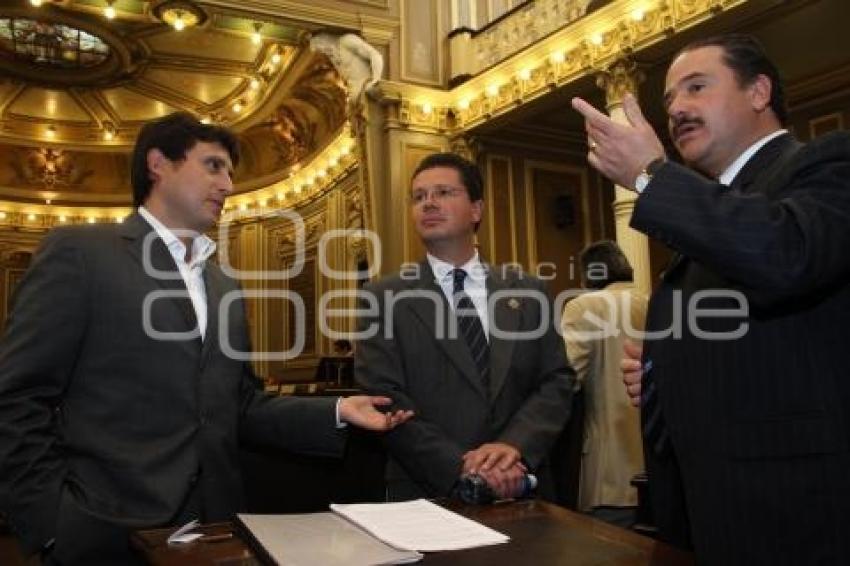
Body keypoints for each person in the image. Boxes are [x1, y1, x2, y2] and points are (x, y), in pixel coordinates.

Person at [0, 112, 412, 565]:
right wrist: (51, 526)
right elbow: (17, 398)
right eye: (213, 166)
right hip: (102, 535)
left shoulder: (225, 286)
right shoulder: (80, 252)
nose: (228, 185)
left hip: (218, 532)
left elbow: (241, 406)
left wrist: (338, 410)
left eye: (230, 173)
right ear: (159, 164)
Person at [572, 34, 850, 564]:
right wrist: (661, 368)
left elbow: (785, 255)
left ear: (759, 91)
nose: (677, 108)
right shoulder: (711, 212)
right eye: (670, 98)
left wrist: (650, 176)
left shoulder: (828, 163)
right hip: (709, 505)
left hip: (796, 510)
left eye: (697, 87)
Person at [355, 152, 574, 502]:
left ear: (476, 210)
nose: (428, 203)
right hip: (428, 493)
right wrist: (461, 467)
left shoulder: (528, 291)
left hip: (522, 488)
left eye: (443, 192)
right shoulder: (382, 297)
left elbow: (556, 380)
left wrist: (512, 448)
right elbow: (385, 397)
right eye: (419, 196)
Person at [561, 240, 646, 528]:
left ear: (587, 275)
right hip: (656, 470)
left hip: (609, 473)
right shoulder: (654, 302)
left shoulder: (586, 305)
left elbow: (566, 380)